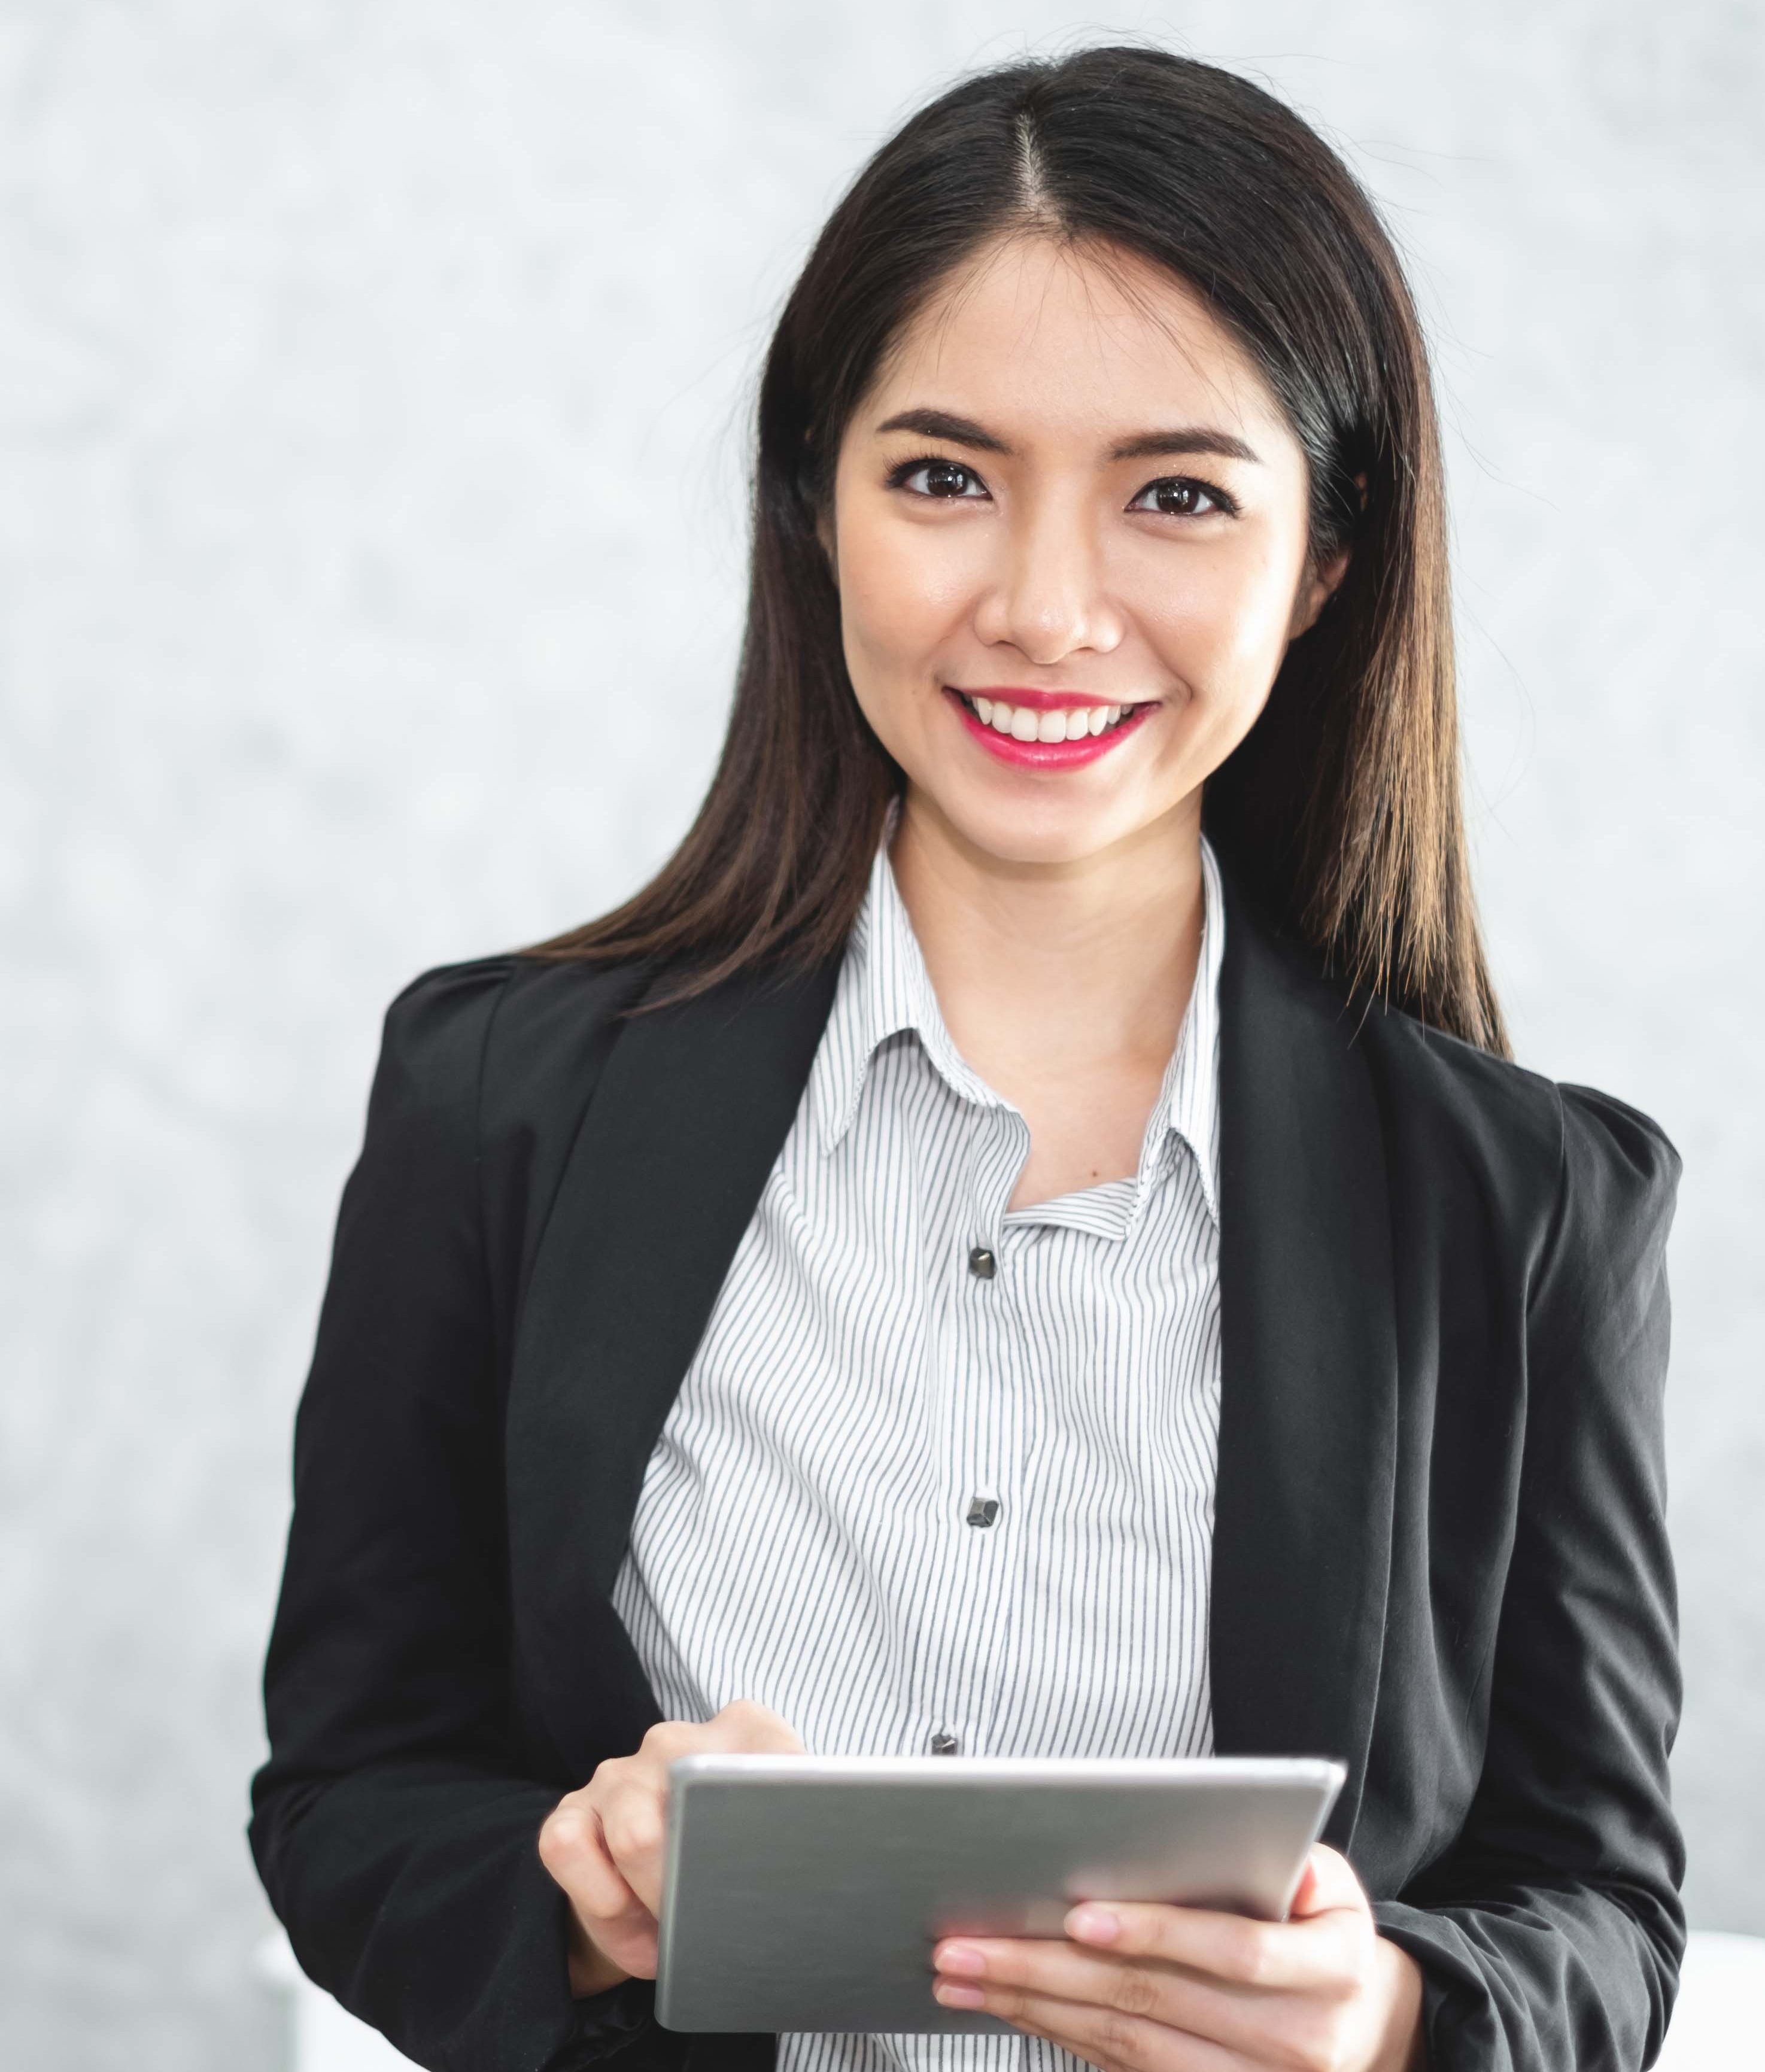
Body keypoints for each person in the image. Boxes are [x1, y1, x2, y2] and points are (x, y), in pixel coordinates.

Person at [250, 45, 1683, 2072]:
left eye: (1177, 495)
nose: (1045, 607)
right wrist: (575, 1903)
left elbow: (1604, 1907)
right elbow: (350, 1793)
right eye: (943, 476)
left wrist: (1387, 2020)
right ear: (814, 508)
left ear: (1329, 559)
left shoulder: (1531, 1206)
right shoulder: (500, 1100)